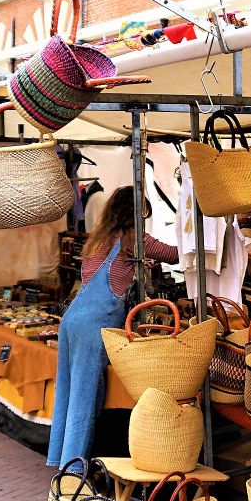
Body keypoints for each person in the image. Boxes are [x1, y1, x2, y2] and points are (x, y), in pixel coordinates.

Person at [47, 186, 177, 468]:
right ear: (135, 214)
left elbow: (116, 269)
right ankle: (73, 471)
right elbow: (174, 254)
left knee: (68, 392)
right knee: (83, 395)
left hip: (72, 320)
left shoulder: (99, 238)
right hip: (93, 324)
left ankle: (60, 456)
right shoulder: (133, 238)